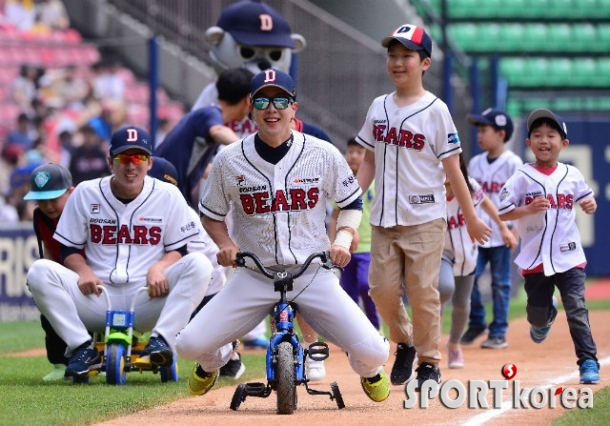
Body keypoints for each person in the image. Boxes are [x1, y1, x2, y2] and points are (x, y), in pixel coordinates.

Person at [175, 68, 391, 402]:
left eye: (280, 100)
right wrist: (225, 244)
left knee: (375, 353)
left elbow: (350, 203)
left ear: (294, 107)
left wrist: (343, 240)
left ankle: (363, 367)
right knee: (188, 345)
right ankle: (217, 358)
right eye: (262, 99)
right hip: (253, 275)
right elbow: (211, 213)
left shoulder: (322, 153)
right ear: (250, 106)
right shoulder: (229, 160)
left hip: (310, 272)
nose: (271, 107)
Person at [354, 24, 491, 389]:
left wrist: (473, 217)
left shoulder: (437, 110)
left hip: (426, 217)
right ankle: (407, 341)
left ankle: (429, 362)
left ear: (425, 62)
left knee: (422, 291)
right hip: (383, 217)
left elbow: (453, 169)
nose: (398, 62)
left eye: (407, 56)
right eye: (392, 55)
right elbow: (368, 160)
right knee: (380, 291)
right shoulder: (378, 106)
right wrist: (350, 203)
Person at [26, 125, 219, 378]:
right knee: (39, 271)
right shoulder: (86, 192)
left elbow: (179, 249)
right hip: (97, 296)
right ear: (110, 161)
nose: (131, 165)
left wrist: (159, 268)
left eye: (138, 158)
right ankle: (83, 348)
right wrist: (83, 271)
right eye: (123, 158)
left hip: (148, 296)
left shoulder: (168, 194)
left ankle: (161, 341)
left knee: (199, 264)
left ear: (149, 163)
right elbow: (68, 248)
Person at [498, 108, 600, 384]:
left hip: (569, 256)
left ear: (563, 143)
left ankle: (588, 361)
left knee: (577, 308)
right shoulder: (522, 176)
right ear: (528, 143)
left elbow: (587, 198)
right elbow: (502, 211)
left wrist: (589, 204)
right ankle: (545, 315)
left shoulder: (571, 174)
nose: (544, 140)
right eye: (537, 135)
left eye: (551, 135)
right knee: (537, 317)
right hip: (535, 259)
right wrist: (526, 208)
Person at [147, 157, 245, 380]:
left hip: (205, 293)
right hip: (164, 284)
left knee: (198, 335)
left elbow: (197, 269)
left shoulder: (185, 217)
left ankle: (229, 353)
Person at [438, 154, 516, 369]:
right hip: (440, 253)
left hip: (467, 253)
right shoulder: (429, 187)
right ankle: (427, 348)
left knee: (462, 305)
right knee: (443, 290)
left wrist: (502, 228)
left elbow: (488, 204)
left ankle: (454, 345)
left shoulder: (468, 184)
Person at [461, 108, 522, 349]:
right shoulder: (475, 162)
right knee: (468, 279)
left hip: (502, 232)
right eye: (478, 129)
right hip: (477, 234)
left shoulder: (513, 163)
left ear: (500, 134)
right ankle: (477, 321)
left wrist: (515, 230)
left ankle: (498, 331)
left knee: (501, 283)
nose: (479, 134)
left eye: (484, 129)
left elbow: (521, 198)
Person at [156, 67, 253, 208]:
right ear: (247, 99)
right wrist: (252, 150)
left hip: (169, 193)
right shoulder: (210, 114)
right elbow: (218, 131)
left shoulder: (206, 116)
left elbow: (202, 169)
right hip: (162, 193)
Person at [22, 163, 77, 380]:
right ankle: (59, 364)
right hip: (64, 275)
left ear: (70, 192)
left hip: (91, 276)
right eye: (41, 200)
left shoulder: (84, 212)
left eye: (54, 199)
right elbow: (48, 251)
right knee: (49, 311)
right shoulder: (40, 217)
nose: (48, 206)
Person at [329, 137, 380, 331]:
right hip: (345, 248)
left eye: (360, 152)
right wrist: (333, 242)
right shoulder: (342, 183)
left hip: (370, 246)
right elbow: (335, 216)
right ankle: (354, 332)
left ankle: (375, 328)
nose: (353, 156)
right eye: (350, 151)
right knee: (348, 293)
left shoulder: (376, 182)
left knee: (365, 286)